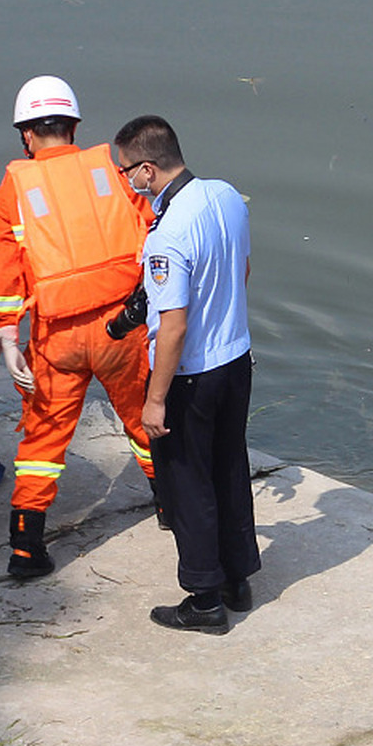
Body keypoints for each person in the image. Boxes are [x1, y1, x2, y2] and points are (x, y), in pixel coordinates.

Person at [0, 76, 158, 579]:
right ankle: (170, 506)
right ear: (75, 126)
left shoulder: (12, 189)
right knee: (143, 416)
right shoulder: (115, 172)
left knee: (43, 440)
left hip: (56, 337)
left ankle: (25, 549)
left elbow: (5, 276)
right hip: (122, 327)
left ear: (26, 136)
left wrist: (7, 340)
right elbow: (153, 242)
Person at [112, 115, 256, 634]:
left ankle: (203, 597)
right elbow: (241, 270)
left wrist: (154, 401)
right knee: (229, 467)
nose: (126, 180)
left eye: (126, 171)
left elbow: (172, 326)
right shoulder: (226, 196)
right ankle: (238, 579)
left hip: (192, 376)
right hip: (236, 361)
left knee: (187, 482)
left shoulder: (166, 235)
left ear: (148, 169)